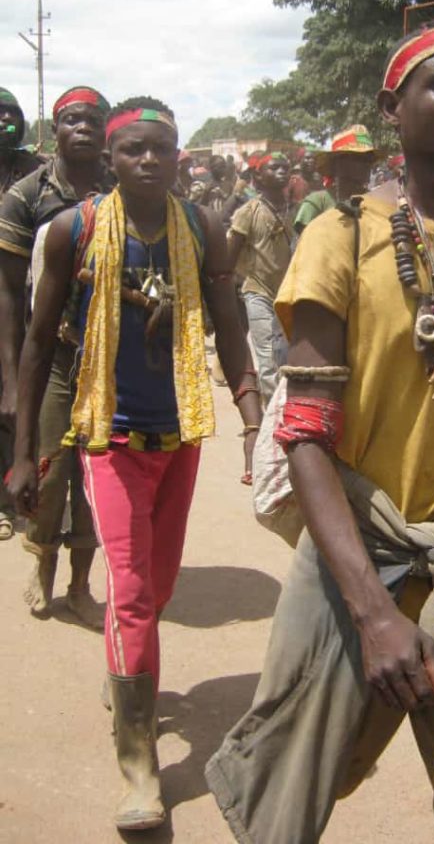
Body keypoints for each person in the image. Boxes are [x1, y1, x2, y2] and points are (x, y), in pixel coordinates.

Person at [206, 21, 434, 844]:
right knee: (300, 784)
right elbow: (305, 436)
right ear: (393, 110)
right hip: (359, 561)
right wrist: (374, 616)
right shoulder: (341, 238)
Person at [8, 96, 260, 832]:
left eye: (163, 149)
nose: (149, 160)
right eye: (133, 150)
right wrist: (24, 452)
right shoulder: (72, 231)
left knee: (159, 583)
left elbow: (230, 325)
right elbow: (35, 342)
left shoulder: (201, 228)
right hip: (107, 435)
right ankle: (139, 765)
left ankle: (126, 681)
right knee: (133, 595)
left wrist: (250, 413)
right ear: (110, 161)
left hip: (178, 434)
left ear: (181, 155)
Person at [0, 86, 112, 619]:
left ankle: (81, 583)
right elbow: (7, 293)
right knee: (49, 467)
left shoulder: (123, 188)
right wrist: (9, 376)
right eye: (72, 119)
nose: (83, 128)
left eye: (93, 119)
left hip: (111, 357)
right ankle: (42, 565)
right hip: (52, 354)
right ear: (56, 127)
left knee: (99, 473)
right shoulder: (27, 196)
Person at [0, 88, 42, 539]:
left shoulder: (35, 173)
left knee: (17, 399)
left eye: (11, 114)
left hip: (22, 298)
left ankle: (16, 490)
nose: (5, 121)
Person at [228, 152, 294, 410]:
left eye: (285, 167)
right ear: (258, 176)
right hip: (258, 292)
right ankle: (273, 417)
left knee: (289, 358)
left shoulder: (298, 211)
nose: (282, 172)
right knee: (268, 361)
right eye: (274, 167)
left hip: (290, 292)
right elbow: (229, 255)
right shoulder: (248, 212)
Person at [292, 125, 381, 235]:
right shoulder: (317, 203)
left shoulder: (375, 202)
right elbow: (301, 246)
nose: (365, 165)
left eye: (368, 159)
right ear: (336, 164)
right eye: (356, 158)